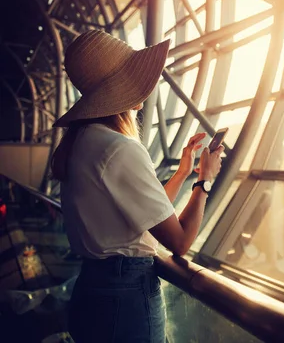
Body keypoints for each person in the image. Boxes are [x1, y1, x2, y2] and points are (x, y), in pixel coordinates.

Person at [51, 29, 224, 342]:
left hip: (92, 290)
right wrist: (205, 180)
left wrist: (184, 172)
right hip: (125, 298)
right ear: (121, 88)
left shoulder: (82, 143)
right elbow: (180, 241)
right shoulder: (119, 148)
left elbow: (146, 217)